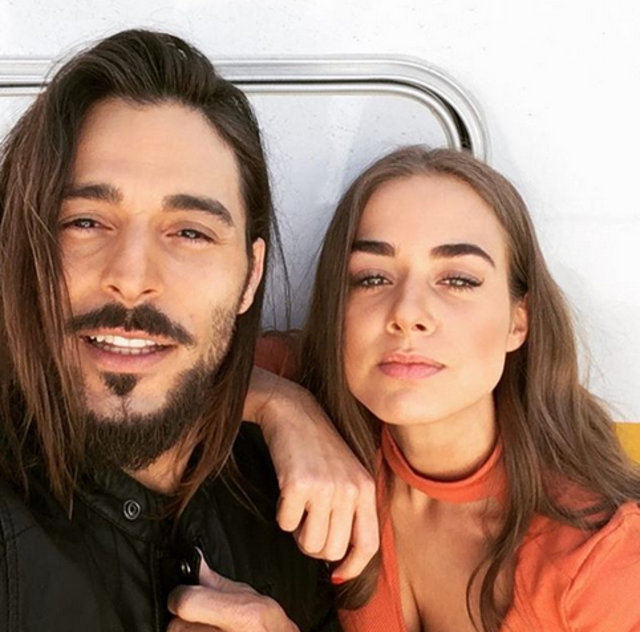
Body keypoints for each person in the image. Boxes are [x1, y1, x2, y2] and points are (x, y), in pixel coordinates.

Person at [0, 28, 360, 632]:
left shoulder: (300, 512)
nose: (132, 278)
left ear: (250, 277)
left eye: (190, 232)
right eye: (85, 221)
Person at [259, 146, 640, 631]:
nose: (407, 313)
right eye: (372, 278)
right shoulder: (319, 401)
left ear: (517, 322)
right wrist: (284, 408)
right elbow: (192, 371)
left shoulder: (601, 560)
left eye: (458, 280)